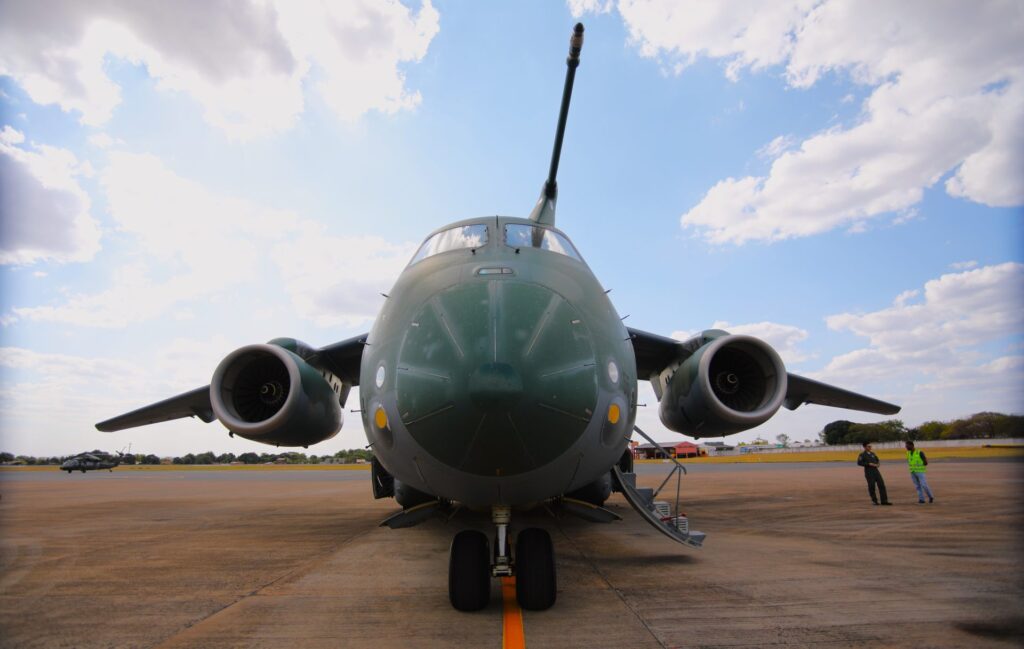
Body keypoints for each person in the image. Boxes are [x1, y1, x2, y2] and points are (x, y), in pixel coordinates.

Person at [857, 441, 891, 505]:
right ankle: (874, 501)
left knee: (881, 485)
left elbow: (877, 460)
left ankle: (884, 501)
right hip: (869, 472)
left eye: (870, 446)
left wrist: (878, 464)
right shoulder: (862, 455)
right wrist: (868, 464)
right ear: (864, 447)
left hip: (876, 471)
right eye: (868, 446)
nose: (870, 447)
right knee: (872, 486)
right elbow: (859, 463)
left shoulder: (873, 453)